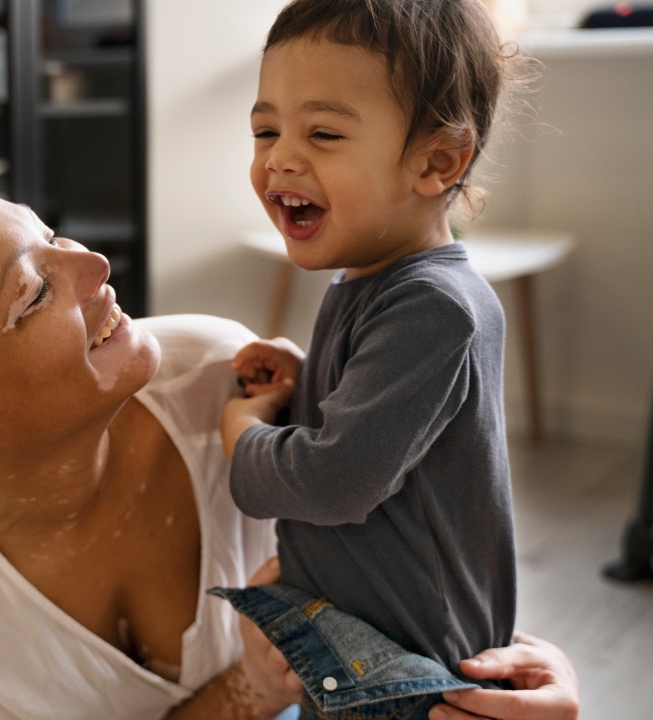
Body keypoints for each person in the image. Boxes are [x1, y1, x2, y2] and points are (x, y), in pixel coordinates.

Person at [0, 162, 577, 720]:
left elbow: (415, 565)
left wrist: (518, 678)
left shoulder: (229, 377)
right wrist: (248, 691)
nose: (93, 266)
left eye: (54, 235)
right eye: (35, 291)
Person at [218, 0, 520, 715]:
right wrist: (307, 381)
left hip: (404, 678)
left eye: (323, 133)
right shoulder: (373, 283)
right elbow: (389, 435)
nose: (279, 158)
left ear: (437, 161)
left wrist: (242, 432)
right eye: (266, 130)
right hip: (360, 648)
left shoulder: (434, 305)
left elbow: (335, 482)